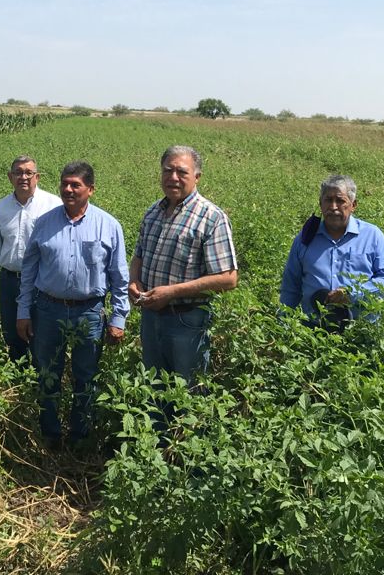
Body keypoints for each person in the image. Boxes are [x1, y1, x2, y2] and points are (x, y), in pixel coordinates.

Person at [16, 161, 129, 449]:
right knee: (47, 373)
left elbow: (119, 276)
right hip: (47, 310)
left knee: (85, 376)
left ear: (90, 189)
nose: (68, 189)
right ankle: (50, 435)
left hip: (89, 312)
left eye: (75, 185)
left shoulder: (108, 225)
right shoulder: (44, 223)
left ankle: (80, 437)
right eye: (64, 184)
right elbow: (28, 271)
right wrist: (23, 311)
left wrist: (118, 318)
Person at [129, 146, 238, 387]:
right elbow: (138, 256)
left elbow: (228, 278)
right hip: (151, 318)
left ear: (197, 177)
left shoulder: (211, 217)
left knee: (188, 390)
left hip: (187, 320)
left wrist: (172, 292)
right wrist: (134, 280)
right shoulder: (153, 212)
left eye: (182, 172)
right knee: (152, 390)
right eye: (168, 170)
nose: (173, 177)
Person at [279, 174, 384, 332]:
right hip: (312, 331)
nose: (333, 207)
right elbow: (290, 287)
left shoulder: (372, 236)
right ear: (320, 204)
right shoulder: (305, 238)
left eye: (340, 201)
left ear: (353, 205)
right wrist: (283, 326)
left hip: (361, 331)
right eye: (328, 200)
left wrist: (352, 294)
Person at [0, 155, 62, 362]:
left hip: (41, 281)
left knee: (41, 334)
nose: (23, 177)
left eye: (28, 173)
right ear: (10, 177)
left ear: (37, 177)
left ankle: (41, 374)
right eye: (18, 173)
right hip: (9, 280)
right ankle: (18, 373)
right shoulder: (2, 207)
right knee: (12, 334)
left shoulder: (53, 205)